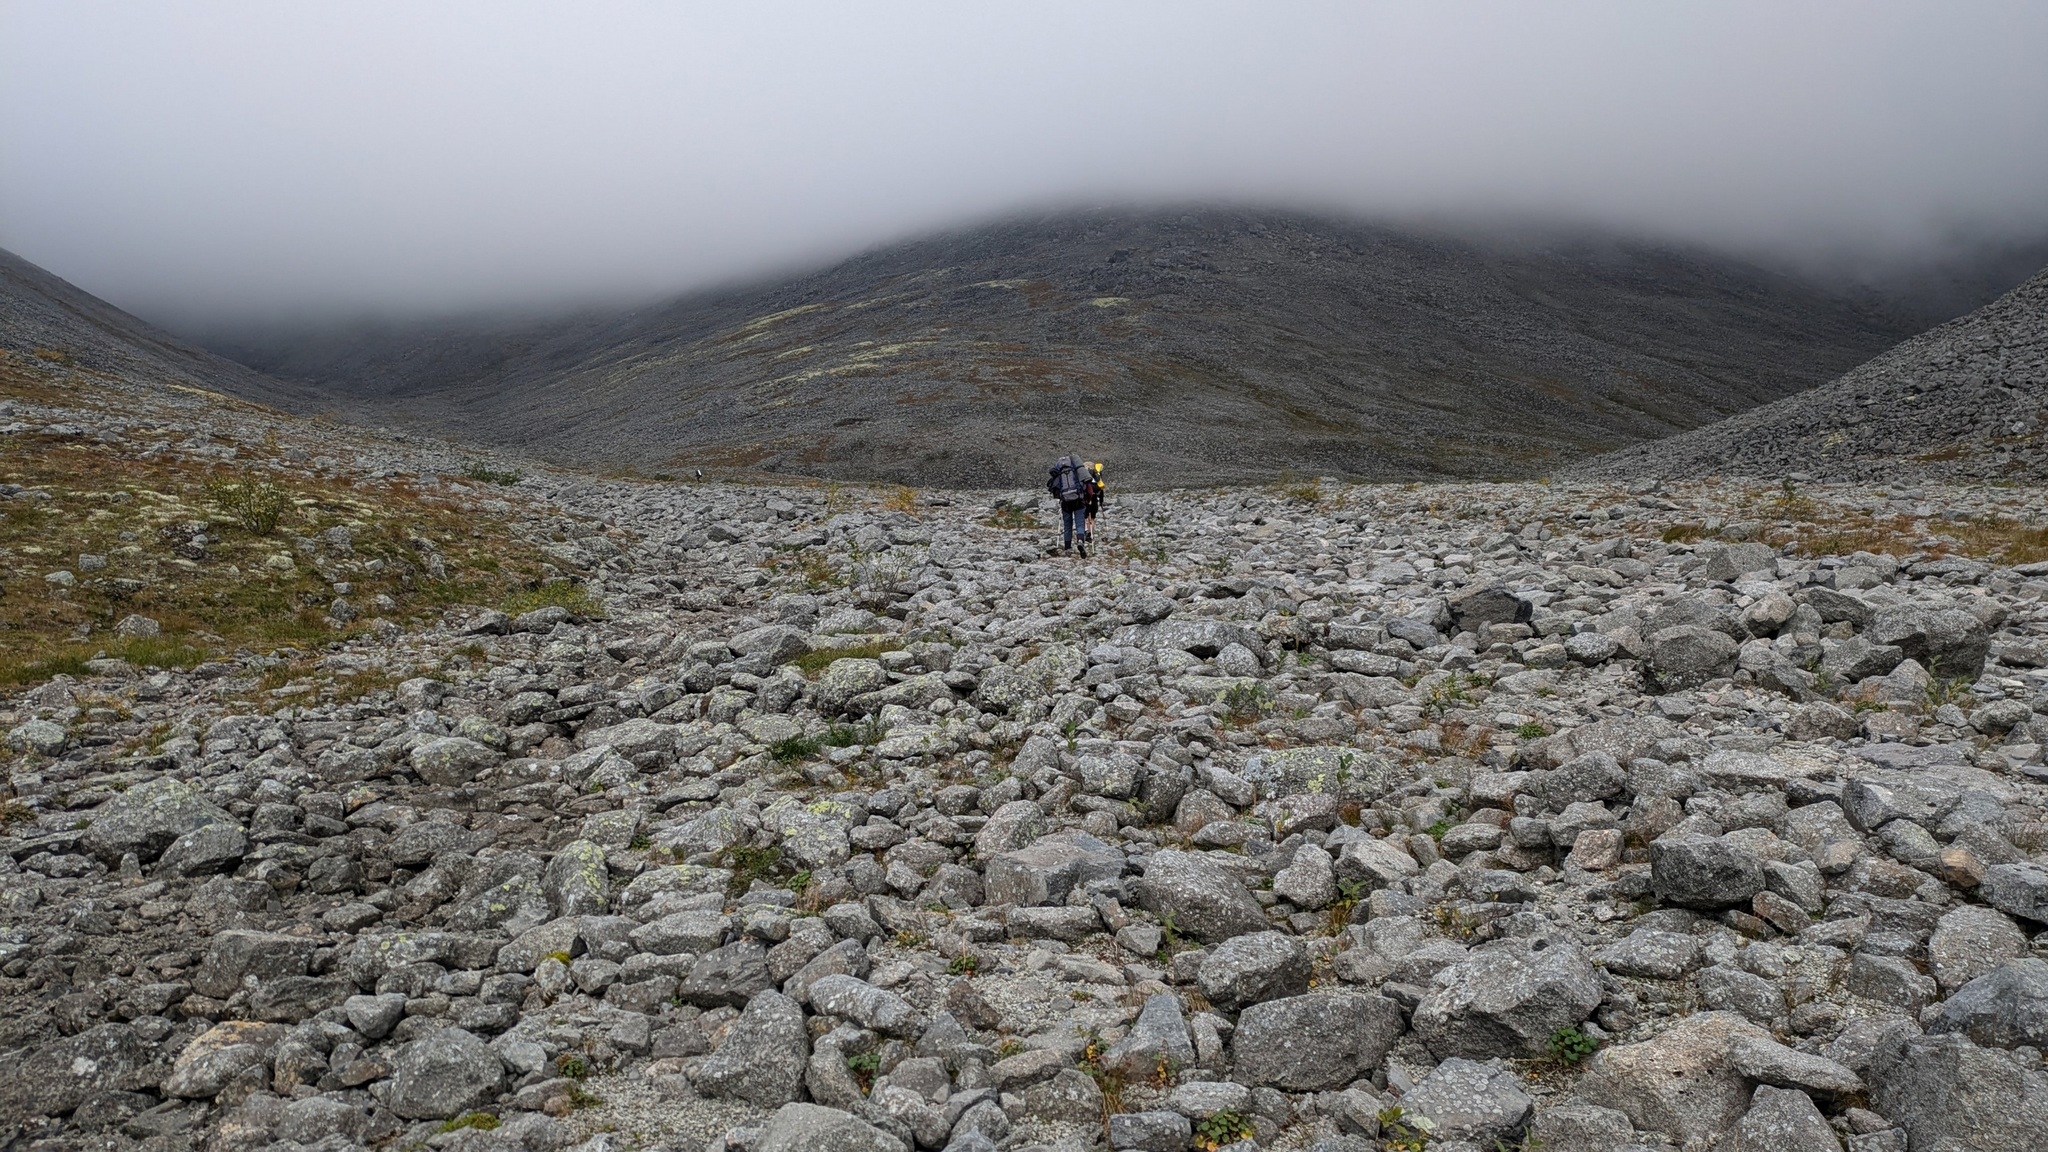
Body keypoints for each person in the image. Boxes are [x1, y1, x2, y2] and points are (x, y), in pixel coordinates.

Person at [1046, 453, 1091, 556]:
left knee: (1067, 526)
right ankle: (1080, 541)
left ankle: (1068, 549)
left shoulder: (1059, 473)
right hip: (1078, 501)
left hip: (1065, 502)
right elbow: (1087, 487)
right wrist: (1087, 499)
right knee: (1080, 524)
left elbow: (1055, 489)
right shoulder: (1077, 471)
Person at [1082, 461, 1105, 545]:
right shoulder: (1097, 475)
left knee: (1085, 516)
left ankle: (1085, 531)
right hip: (1094, 498)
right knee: (1092, 517)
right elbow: (1101, 489)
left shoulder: (1083, 476)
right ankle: (1091, 534)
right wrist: (1101, 500)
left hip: (1085, 498)